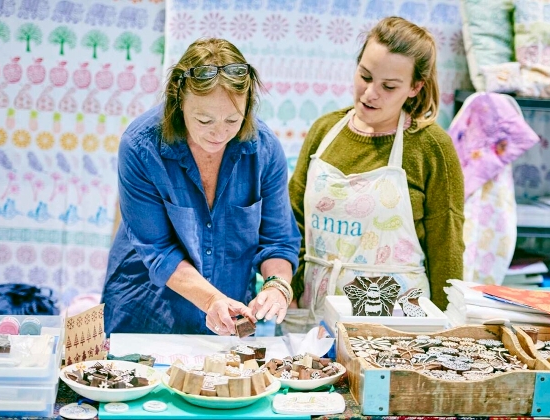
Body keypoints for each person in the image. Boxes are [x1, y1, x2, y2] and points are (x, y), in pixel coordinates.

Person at [102, 38, 301, 336]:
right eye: (204, 119)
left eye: (233, 119)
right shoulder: (141, 146)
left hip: (228, 314)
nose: (219, 133)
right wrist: (211, 299)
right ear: (178, 100)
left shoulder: (264, 149)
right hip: (147, 309)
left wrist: (277, 285)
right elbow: (158, 250)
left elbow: (278, 240)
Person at [284, 17, 465, 333]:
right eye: (365, 76)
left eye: (389, 86)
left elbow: (446, 247)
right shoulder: (324, 132)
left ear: (414, 87)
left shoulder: (431, 147)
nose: (370, 93)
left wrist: (447, 332)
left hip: (398, 326)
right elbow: (292, 220)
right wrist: (291, 289)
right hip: (314, 314)